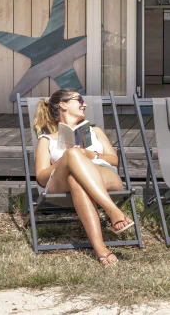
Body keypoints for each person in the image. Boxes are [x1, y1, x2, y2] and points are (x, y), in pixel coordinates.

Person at [34, 89, 134, 266]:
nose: (84, 104)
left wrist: (90, 154)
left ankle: (100, 249)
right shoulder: (47, 139)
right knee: (72, 156)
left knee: (76, 180)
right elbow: (41, 178)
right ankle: (112, 210)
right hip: (59, 182)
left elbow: (114, 160)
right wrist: (67, 159)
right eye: (79, 100)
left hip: (103, 174)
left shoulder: (95, 131)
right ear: (63, 105)